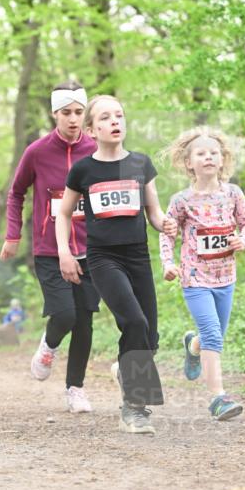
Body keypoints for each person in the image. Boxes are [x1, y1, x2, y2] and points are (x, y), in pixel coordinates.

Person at [56, 94, 177, 435]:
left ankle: (127, 372)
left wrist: (164, 222)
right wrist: (65, 251)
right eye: (106, 118)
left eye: (119, 116)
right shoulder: (83, 169)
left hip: (138, 255)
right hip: (103, 257)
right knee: (134, 322)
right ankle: (133, 409)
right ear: (92, 130)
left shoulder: (140, 163)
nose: (115, 122)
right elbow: (64, 213)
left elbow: (153, 212)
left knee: (149, 337)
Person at [0, 81, 100, 414]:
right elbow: (16, 194)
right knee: (65, 313)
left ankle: (76, 389)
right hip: (49, 248)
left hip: (91, 247)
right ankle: (49, 343)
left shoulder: (97, 150)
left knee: (84, 320)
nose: (73, 119)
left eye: (78, 112)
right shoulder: (37, 152)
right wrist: (13, 235)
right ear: (54, 114)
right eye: (66, 113)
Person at [160, 127, 245, 421]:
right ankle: (218, 399)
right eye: (201, 153)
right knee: (214, 335)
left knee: (214, 336)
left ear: (223, 159)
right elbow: (167, 234)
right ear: (189, 162)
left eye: (214, 153)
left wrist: (244, 239)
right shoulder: (181, 200)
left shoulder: (233, 194)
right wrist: (168, 263)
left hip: (226, 277)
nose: (208, 157)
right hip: (195, 278)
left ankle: (192, 345)